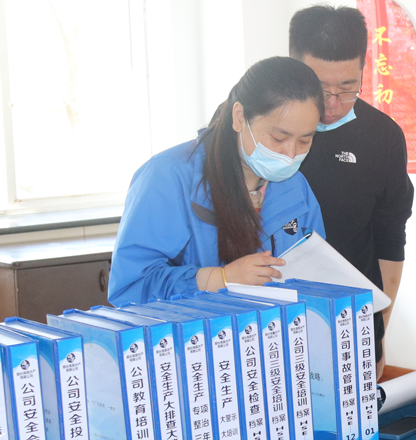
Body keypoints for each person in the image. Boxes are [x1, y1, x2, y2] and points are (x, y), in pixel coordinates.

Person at [109, 57, 326, 306]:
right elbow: (131, 287)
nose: (290, 154)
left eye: (304, 141)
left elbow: (318, 273)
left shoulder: (295, 186)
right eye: (279, 138)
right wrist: (218, 279)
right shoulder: (167, 177)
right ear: (239, 117)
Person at [289, 5, 414, 376]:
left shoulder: (382, 137)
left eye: (347, 88)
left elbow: (390, 242)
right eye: (319, 88)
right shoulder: (260, 129)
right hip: (266, 318)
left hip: (347, 324)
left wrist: (377, 330)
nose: (331, 104)